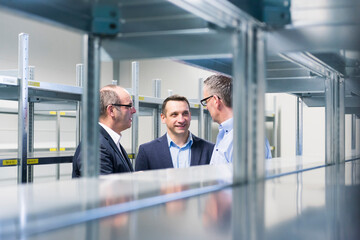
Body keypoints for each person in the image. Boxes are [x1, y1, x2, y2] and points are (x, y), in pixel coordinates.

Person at [201, 74, 272, 165]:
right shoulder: (227, 134)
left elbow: (245, 179)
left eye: (206, 102)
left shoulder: (243, 138)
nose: (206, 107)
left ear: (215, 100)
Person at [135, 95, 214, 171]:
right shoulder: (147, 152)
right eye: (174, 114)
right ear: (163, 118)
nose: (181, 120)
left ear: (190, 116)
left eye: (185, 113)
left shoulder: (210, 149)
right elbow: (141, 184)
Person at [72, 85, 136, 178]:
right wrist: (134, 181)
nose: (133, 110)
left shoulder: (107, 141)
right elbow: (102, 189)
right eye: (129, 106)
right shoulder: (97, 146)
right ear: (111, 110)